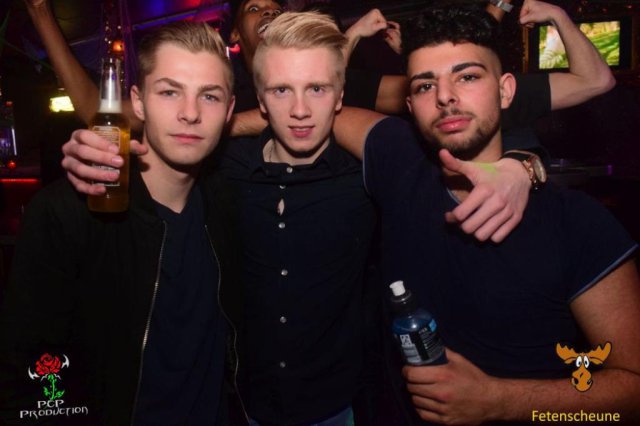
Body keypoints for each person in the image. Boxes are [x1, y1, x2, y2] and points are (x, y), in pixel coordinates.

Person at [56, 10, 537, 425]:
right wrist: (98, 152)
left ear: (340, 95)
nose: (301, 110)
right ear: (260, 100)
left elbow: (457, 146)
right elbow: (162, 145)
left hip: (339, 407)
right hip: (239, 405)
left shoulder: (369, 175)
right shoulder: (221, 171)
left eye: (318, 89)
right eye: (282, 90)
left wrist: (524, 163)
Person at [332, 4, 640, 424]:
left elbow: (632, 387)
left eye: (468, 76)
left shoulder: (578, 223)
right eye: (425, 85)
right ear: (410, 104)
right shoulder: (397, 159)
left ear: (506, 90)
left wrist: (498, 400)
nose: (445, 96)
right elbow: (310, 108)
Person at [0, 22, 242, 425]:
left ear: (229, 111)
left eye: (210, 96)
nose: (190, 113)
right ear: (138, 103)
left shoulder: (230, 202)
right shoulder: (68, 213)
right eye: (169, 92)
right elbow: (27, 374)